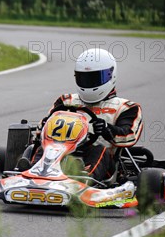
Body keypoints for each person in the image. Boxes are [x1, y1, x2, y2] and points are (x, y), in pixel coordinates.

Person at [19, 48, 143, 181]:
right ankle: (32, 171)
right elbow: (42, 131)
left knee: (100, 150)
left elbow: (129, 136)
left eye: (94, 78)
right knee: (44, 147)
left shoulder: (126, 107)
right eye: (84, 78)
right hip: (60, 154)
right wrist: (44, 125)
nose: (89, 83)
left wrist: (108, 129)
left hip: (101, 163)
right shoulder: (66, 101)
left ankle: (84, 178)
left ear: (110, 75)